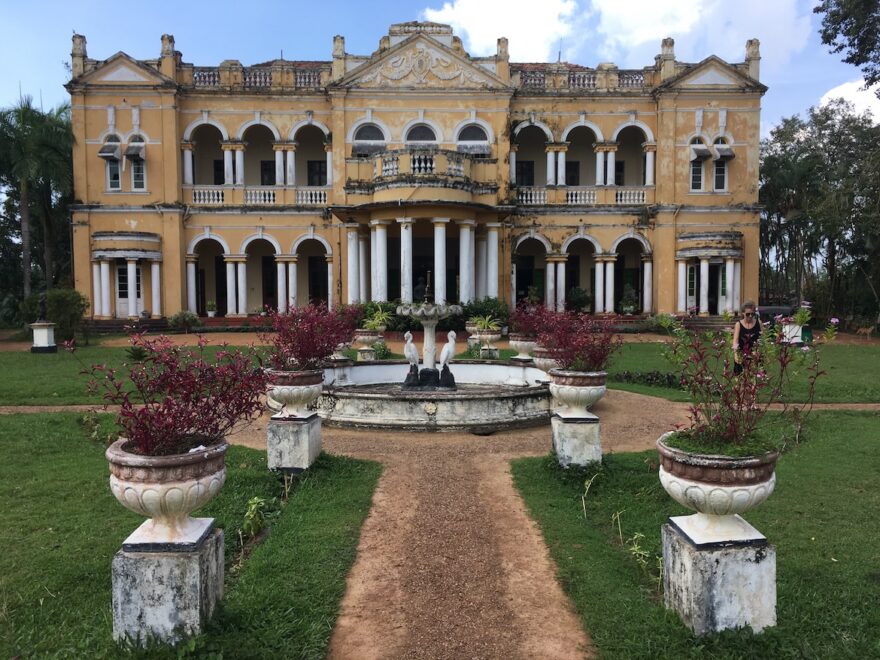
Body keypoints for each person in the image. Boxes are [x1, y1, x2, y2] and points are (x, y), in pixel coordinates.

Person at [732, 301, 762, 375]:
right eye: (748, 314)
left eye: (753, 314)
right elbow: (735, 341)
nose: (751, 316)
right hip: (741, 355)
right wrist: (736, 355)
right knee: (741, 381)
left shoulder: (759, 323)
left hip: (755, 355)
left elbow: (762, 339)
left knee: (754, 380)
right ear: (743, 313)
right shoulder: (738, 324)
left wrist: (760, 352)